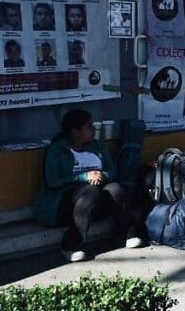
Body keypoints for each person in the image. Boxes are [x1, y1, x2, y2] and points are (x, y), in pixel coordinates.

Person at [33, 109, 142, 262]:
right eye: (89, 126)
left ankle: (124, 234)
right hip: (63, 204)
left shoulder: (97, 146)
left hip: (95, 201)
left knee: (116, 190)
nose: (93, 129)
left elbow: (112, 171)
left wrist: (102, 176)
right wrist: (84, 177)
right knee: (90, 192)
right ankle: (71, 245)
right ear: (75, 132)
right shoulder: (57, 149)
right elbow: (52, 181)